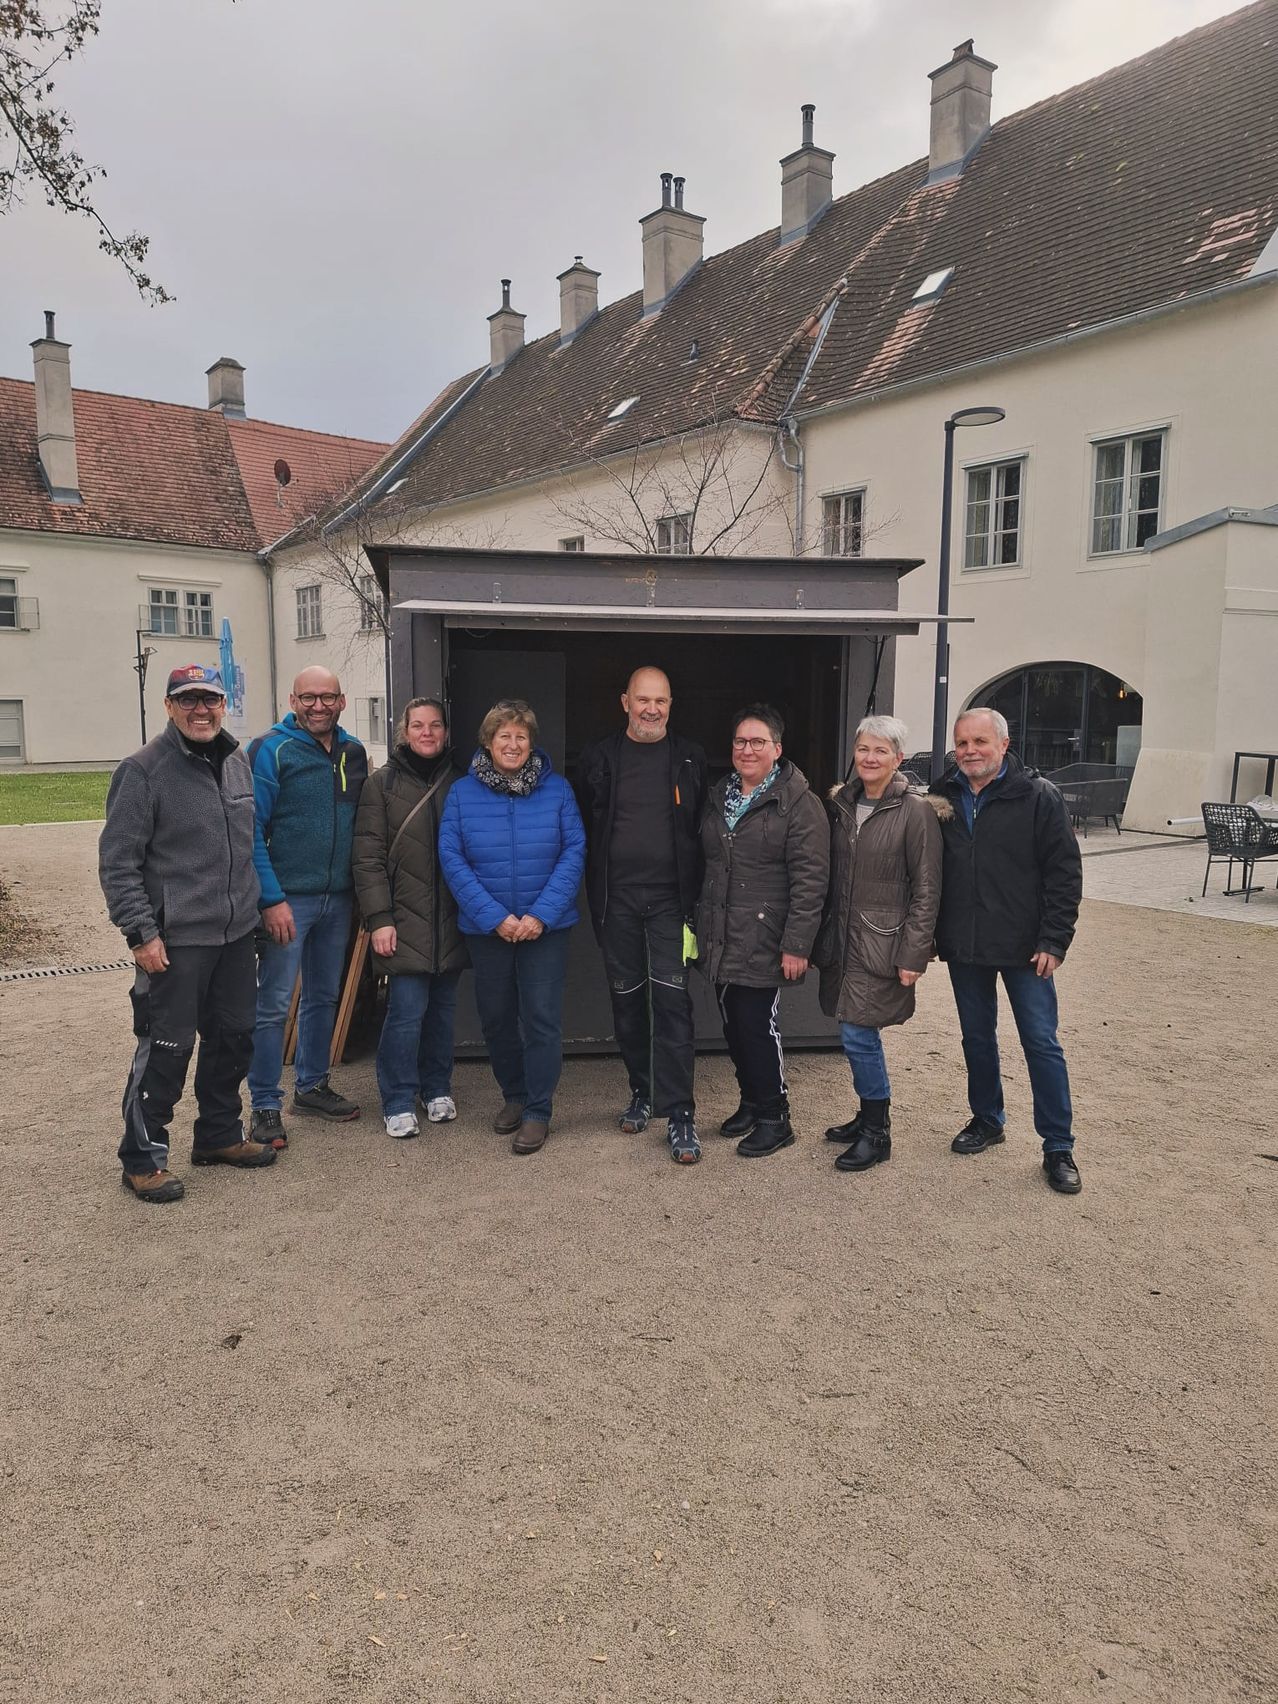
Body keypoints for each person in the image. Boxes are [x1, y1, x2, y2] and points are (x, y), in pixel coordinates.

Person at [98, 664, 278, 1202]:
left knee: (234, 1037)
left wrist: (256, 912)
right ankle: (142, 1158)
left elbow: (245, 846)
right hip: (175, 942)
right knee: (168, 1047)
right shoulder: (142, 771)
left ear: (223, 705)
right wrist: (141, 933)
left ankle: (219, 1134)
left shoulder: (237, 762)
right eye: (188, 700)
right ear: (169, 706)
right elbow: (118, 862)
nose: (201, 710)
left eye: (210, 700)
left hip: (234, 935)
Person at [929, 707, 1084, 1194]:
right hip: (966, 943)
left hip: (1027, 947)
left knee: (1041, 1043)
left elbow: (1064, 873)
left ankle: (1057, 1145)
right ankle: (987, 1119)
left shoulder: (1038, 796)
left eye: (980, 742)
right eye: (962, 743)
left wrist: (1054, 940)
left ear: (1003, 744)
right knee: (976, 1038)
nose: (970, 751)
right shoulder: (942, 794)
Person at [438, 700, 585, 1154]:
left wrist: (540, 915)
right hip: (489, 930)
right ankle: (515, 1096)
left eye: (521, 736)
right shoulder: (462, 794)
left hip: (546, 929)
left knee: (541, 1020)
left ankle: (538, 1110)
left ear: (531, 743)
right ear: (488, 741)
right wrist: (494, 917)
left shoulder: (558, 790)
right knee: (497, 1019)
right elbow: (452, 858)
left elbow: (574, 851)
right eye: (504, 735)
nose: (513, 744)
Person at [575, 667, 708, 1164]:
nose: (652, 709)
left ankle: (680, 1113)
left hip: (673, 903)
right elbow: (584, 822)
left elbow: (702, 826)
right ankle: (642, 1090)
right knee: (628, 1002)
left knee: (672, 1003)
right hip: (618, 903)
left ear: (670, 705)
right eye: (643, 699)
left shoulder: (690, 757)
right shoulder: (598, 757)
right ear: (625, 702)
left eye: (661, 701)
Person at [695, 705, 829, 1157]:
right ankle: (751, 1102)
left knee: (756, 1025)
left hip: (765, 935)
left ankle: (776, 1116)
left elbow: (811, 881)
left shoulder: (799, 804)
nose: (747, 749)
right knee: (734, 1023)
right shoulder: (720, 795)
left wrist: (797, 944)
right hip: (721, 932)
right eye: (740, 741)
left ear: (777, 748)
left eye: (757, 742)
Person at [245, 666, 369, 1146]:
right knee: (274, 1003)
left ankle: (312, 1087)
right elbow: (250, 829)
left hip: (338, 898)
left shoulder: (353, 752)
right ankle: (264, 1103)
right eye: (309, 698)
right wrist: (270, 898)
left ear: (341, 701)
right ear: (293, 700)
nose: (319, 706)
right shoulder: (270, 749)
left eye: (328, 697)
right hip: (287, 900)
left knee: (323, 996)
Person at [815, 715, 942, 1174]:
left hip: (883, 942)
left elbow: (927, 889)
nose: (870, 758)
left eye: (881, 751)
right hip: (844, 939)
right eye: (864, 749)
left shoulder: (915, 812)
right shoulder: (843, 804)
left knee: (858, 1034)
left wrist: (914, 954)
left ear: (898, 758)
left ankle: (877, 1133)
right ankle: (869, 1114)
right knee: (853, 1029)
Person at [353, 697, 467, 1139]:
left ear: (445, 732)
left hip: (451, 920)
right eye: (418, 725)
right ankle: (398, 1098)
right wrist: (379, 917)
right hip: (401, 920)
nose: (427, 733)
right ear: (404, 730)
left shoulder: (461, 782)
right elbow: (367, 858)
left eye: (435, 725)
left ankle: (436, 1087)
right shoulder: (381, 785)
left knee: (442, 1013)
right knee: (405, 1013)